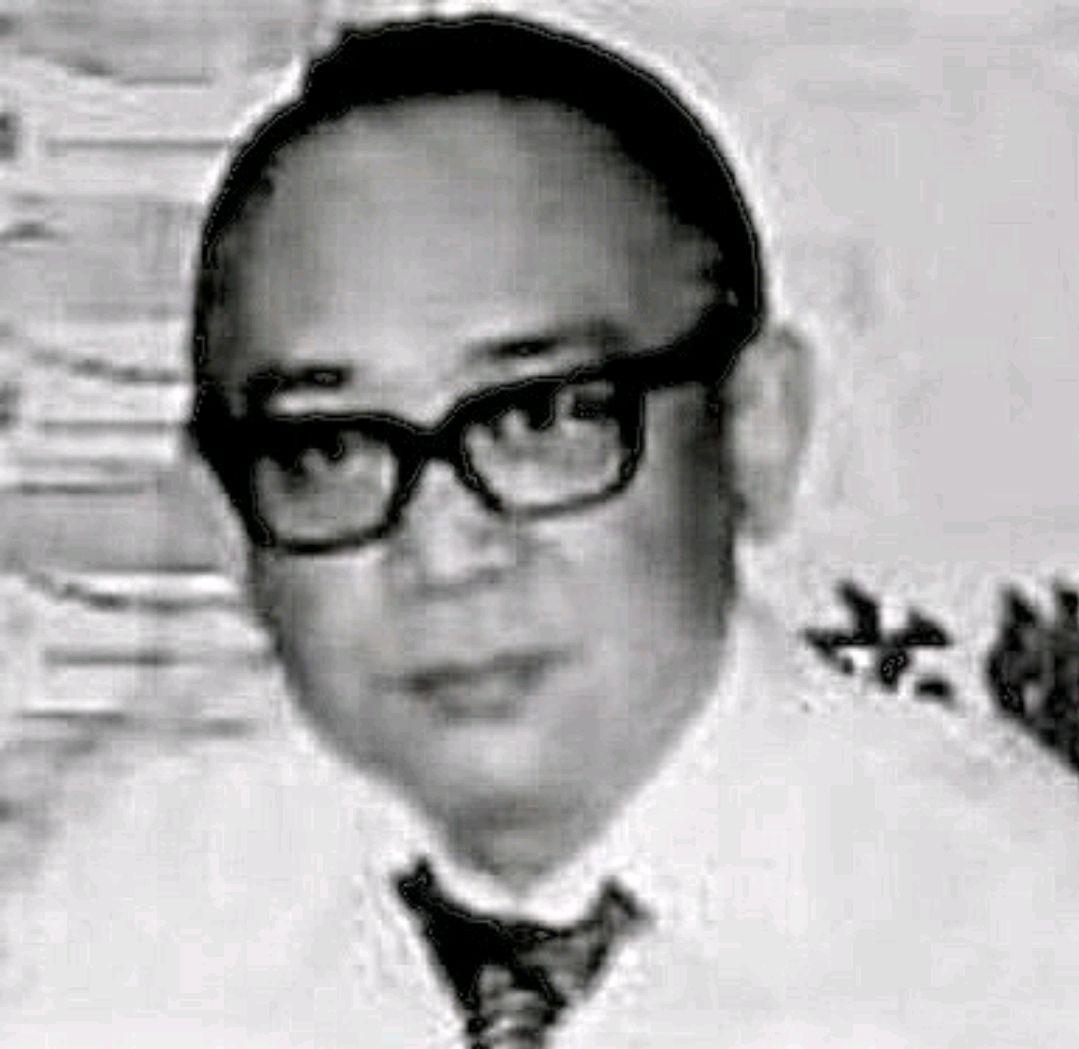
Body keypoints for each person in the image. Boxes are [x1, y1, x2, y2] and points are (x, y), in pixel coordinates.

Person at [4, 13, 1079, 1048]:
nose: (444, 554)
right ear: (227, 524)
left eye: (538, 418)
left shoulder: (1023, 947)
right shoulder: (108, 928)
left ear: (756, 431)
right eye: (329, 449)